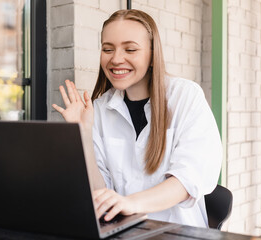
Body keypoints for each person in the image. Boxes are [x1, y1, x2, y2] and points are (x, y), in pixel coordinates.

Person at [52, 9, 222, 228]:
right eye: (107, 49)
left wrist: (128, 203)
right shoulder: (99, 109)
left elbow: (188, 180)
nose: (116, 59)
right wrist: (83, 133)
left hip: (177, 232)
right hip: (124, 232)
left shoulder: (185, 96)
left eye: (130, 49)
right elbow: (99, 192)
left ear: (152, 55)